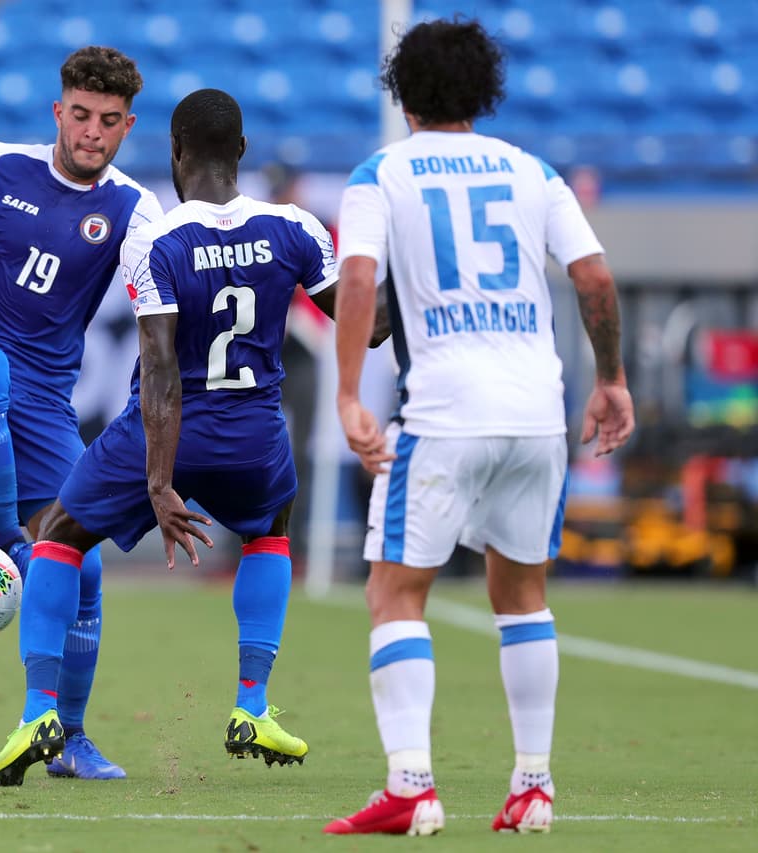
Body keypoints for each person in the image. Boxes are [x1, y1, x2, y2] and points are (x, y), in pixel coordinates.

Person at [0, 88, 389, 787]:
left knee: (58, 535)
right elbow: (369, 327)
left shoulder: (159, 240)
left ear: (175, 154)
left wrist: (160, 483)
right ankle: (251, 703)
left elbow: (162, 369)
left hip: (167, 429)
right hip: (256, 431)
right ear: (243, 153)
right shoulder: (294, 228)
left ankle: (39, 713)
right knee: (269, 529)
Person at [323, 18, 635, 836]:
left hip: (444, 413)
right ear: (484, 90)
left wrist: (351, 393)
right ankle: (533, 783)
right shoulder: (533, 172)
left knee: (395, 590)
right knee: (522, 595)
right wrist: (611, 378)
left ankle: (410, 784)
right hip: (537, 413)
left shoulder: (380, 171)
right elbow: (593, 274)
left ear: (403, 92)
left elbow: (358, 277)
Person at [0, 45, 164, 781]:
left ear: (127, 125)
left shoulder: (137, 208)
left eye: (109, 121)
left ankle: (65, 735)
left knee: (81, 562)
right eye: (80, 115)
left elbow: (157, 311)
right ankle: (11, 540)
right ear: (58, 111)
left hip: (45, 395)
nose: (91, 133)